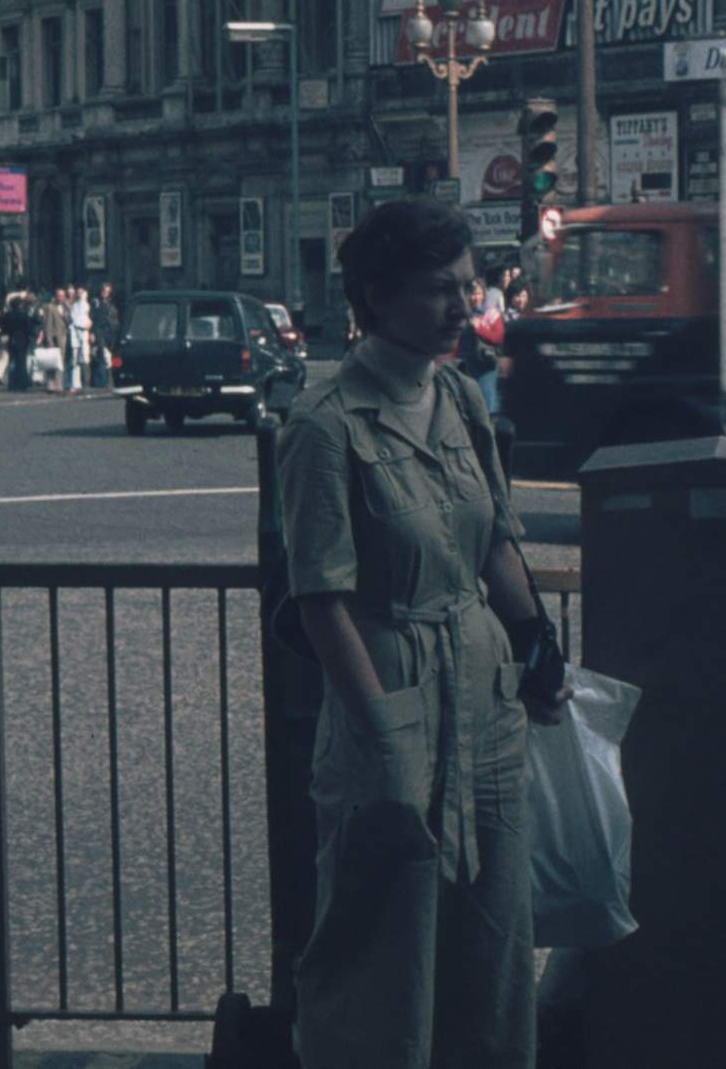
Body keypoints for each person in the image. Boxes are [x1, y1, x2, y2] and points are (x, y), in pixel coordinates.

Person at [277, 198, 571, 1069]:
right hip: (392, 701)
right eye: (441, 288)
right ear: (378, 295)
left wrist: (535, 638)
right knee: (384, 954)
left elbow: (494, 541)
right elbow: (321, 600)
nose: (462, 305)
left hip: (484, 702)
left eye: (467, 285)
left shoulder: (457, 398)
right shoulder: (325, 423)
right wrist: (382, 735)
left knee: (493, 943)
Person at [460, 276, 504, 415]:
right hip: (467, 364)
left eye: (478, 293)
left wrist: (480, 329)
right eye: (472, 294)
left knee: (487, 402)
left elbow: (498, 337)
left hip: (486, 365)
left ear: (484, 294)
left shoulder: (492, 313)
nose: (475, 297)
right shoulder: (463, 314)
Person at [93, 285, 121, 387]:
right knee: (103, 356)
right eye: (104, 291)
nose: (105, 293)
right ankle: (102, 382)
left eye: (107, 291)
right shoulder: (97, 304)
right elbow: (95, 320)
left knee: (112, 357)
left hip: (111, 334)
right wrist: (93, 333)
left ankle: (111, 380)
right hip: (101, 333)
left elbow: (115, 319)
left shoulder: (112, 305)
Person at [67, 286, 92, 395]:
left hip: (84, 334)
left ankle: (86, 383)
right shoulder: (74, 306)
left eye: (81, 293)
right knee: (74, 360)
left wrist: (88, 324)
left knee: (85, 358)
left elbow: (88, 319)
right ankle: (74, 384)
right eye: (78, 293)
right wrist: (84, 325)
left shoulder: (86, 305)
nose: (80, 295)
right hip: (76, 333)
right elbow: (74, 319)